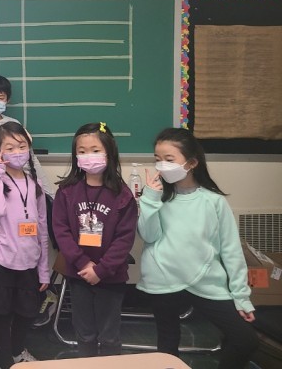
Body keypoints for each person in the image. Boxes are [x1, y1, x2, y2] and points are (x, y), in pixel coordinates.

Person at [138, 128, 258, 368]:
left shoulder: (213, 201)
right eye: (157, 159)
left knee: (245, 340)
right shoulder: (156, 196)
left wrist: (241, 296)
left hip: (206, 280)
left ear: (192, 163)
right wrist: (150, 198)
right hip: (163, 279)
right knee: (168, 347)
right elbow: (149, 236)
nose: (161, 166)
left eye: (169, 159)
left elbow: (231, 250)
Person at [51, 122, 137, 357]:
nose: (89, 156)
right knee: (84, 334)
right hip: (78, 274)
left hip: (111, 276)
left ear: (110, 152)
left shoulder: (122, 194)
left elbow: (125, 238)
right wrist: (83, 263)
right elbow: (61, 231)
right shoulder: (67, 191)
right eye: (82, 151)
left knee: (110, 336)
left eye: (95, 150)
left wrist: (101, 269)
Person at [0, 122, 49, 367]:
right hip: (2, 259)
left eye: (22, 146)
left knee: (27, 312)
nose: (17, 152)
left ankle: (16, 351)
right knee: (2, 315)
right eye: (10, 147)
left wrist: (44, 269)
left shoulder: (35, 184)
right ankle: (6, 361)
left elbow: (42, 228)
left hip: (29, 260)